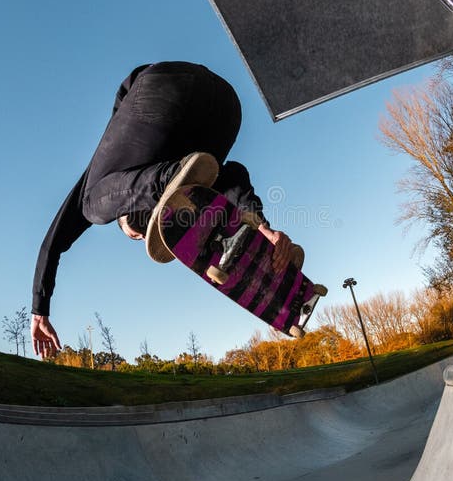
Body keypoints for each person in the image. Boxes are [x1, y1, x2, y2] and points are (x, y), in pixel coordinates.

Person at [31, 62, 302, 357]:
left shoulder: (98, 187)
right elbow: (233, 174)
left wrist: (39, 309)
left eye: (135, 235)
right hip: (226, 107)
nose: (140, 235)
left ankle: (167, 180)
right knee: (209, 186)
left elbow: (53, 244)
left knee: (91, 210)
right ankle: (184, 186)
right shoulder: (189, 174)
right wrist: (261, 226)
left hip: (161, 91)